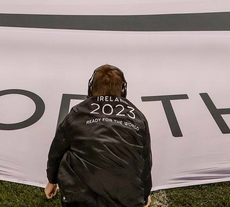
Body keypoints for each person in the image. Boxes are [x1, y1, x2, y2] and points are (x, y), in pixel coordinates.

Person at [45, 65, 152, 207]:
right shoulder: (138, 117)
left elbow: (56, 151)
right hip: (125, 200)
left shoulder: (77, 113)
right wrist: (144, 196)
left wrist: (52, 181)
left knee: (66, 150)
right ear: (123, 89)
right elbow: (145, 162)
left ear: (91, 88)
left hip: (80, 199)